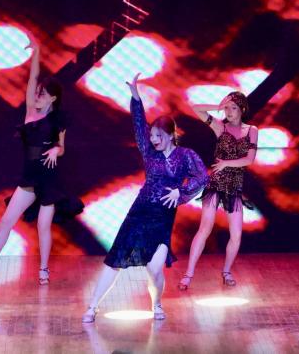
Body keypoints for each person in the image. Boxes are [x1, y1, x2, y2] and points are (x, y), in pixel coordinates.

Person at [82, 74, 208, 323]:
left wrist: (181, 192)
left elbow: (202, 176)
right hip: (139, 212)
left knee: (154, 268)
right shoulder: (149, 151)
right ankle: (92, 306)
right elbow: (138, 124)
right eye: (152, 136)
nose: (153, 140)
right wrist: (136, 97)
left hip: (162, 219)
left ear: (170, 135)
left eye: (158, 136)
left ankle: (156, 304)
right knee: (115, 261)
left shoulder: (185, 155)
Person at [0, 42, 82, 287]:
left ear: (53, 98)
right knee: (5, 222)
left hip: (49, 180)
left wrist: (56, 149)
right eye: (37, 93)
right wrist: (37, 53)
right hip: (29, 179)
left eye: (42, 94)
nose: (37, 96)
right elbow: (32, 79)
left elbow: (62, 147)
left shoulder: (58, 120)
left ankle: (43, 270)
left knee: (43, 226)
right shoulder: (30, 112)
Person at [180, 90, 257, 289]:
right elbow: (195, 108)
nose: (229, 111)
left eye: (233, 107)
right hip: (215, 184)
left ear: (242, 109)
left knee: (236, 235)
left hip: (234, 186)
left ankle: (226, 271)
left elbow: (249, 159)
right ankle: (188, 274)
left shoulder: (251, 130)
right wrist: (218, 106)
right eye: (227, 108)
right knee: (205, 228)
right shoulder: (220, 127)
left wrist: (226, 163)